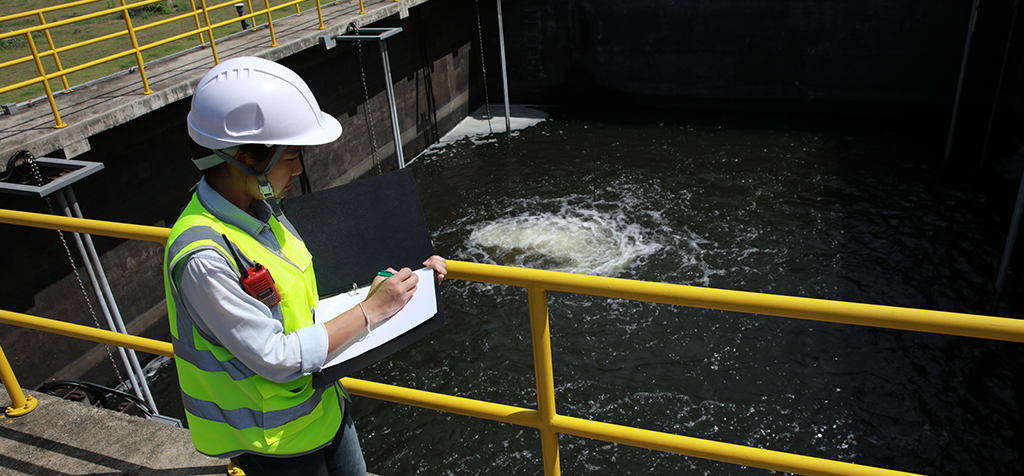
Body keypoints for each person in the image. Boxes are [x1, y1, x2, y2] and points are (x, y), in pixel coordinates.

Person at [163, 56, 446, 476]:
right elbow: (274, 356)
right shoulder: (204, 257)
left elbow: (304, 294)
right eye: (291, 156)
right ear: (245, 157)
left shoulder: (261, 211)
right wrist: (372, 310)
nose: (299, 168)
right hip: (272, 441)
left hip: (323, 407)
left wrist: (406, 278)